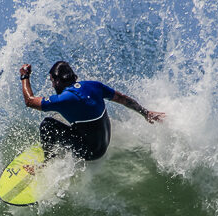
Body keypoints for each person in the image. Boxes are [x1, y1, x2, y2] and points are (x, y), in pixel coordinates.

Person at [19, 61, 164, 161]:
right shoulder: (94, 86)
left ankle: (47, 164)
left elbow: (29, 101)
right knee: (60, 116)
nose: (52, 85)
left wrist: (25, 76)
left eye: (52, 81)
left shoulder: (63, 99)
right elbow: (123, 98)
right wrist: (146, 113)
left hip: (90, 153)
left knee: (47, 124)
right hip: (104, 144)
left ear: (57, 81)